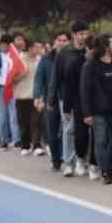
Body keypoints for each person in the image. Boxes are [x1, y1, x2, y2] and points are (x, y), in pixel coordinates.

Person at [80, 35, 112, 184]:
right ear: (105, 47)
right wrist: (87, 113)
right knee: (100, 141)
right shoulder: (90, 65)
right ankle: (106, 171)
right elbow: (85, 90)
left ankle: (107, 166)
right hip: (98, 110)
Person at [52, 25, 91, 178]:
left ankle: (82, 161)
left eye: (86, 33)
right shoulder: (64, 53)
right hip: (66, 96)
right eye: (81, 33)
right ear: (74, 35)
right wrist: (51, 97)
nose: (84, 36)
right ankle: (68, 163)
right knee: (69, 129)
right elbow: (57, 76)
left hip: (86, 98)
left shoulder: (90, 51)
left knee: (84, 130)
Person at [35, 32, 67, 167]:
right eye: (60, 40)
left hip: (67, 99)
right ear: (55, 42)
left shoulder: (72, 57)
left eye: (65, 40)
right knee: (53, 130)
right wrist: (38, 96)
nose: (62, 42)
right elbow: (39, 79)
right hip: (51, 100)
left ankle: (67, 158)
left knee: (67, 130)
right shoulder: (46, 58)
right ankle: (56, 159)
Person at [12, 36, 41, 155]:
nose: (38, 50)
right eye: (35, 47)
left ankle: (37, 145)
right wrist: (22, 74)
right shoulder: (19, 60)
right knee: (24, 122)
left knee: (37, 121)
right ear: (29, 48)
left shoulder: (40, 60)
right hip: (22, 95)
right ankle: (25, 145)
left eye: (39, 47)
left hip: (36, 95)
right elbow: (12, 79)